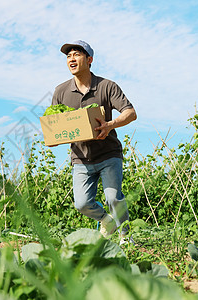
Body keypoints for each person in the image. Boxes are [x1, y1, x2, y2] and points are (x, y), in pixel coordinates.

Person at [51, 40, 137, 244]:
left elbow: (130, 113)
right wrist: (53, 137)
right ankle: (108, 221)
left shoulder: (106, 86)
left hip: (108, 154)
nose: (71, 58)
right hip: (81, 158)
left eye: (77, 54)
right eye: (68, 55)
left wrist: (110, 124)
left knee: (113, 198)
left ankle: (126, 237)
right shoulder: (61, 91)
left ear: (89, 60)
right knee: (82, 204)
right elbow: (54, 123)